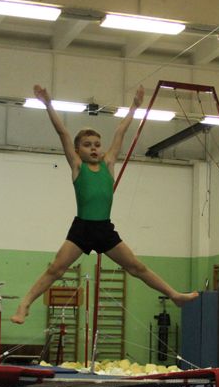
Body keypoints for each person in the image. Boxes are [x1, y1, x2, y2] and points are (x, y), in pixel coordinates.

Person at [10, 84, 198, 324]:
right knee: (56, 269)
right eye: (87, 145)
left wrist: (134, 107)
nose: (94, 149)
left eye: (97, 144)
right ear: (78, 150)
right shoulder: (78, 167)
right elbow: (63, 134)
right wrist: (48, 104)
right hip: (82, 228)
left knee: (137, 267)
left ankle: (173, 294)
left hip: (104, 229)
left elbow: (120, 132)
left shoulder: (109, 165)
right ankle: (25, 304)